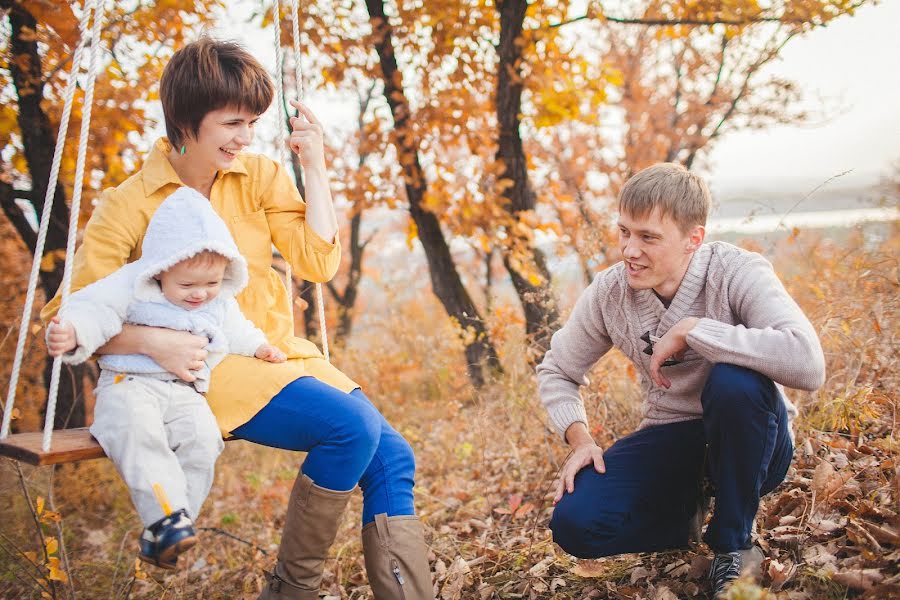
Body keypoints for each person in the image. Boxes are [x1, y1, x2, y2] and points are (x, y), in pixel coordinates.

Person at [41, 37, 433, 599]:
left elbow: (317, 261)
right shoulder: (130, 203)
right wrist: (152, 342)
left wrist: (315, 168)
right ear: (186, 120)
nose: (246, 137)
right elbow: (66, 314)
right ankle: (290, 592)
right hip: (200, 370)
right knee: (352, 428)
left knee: (392, 455)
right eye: (232, 123)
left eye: (252, 122)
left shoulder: (259, 176)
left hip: (271, 352)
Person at [537, 163, 825, 597]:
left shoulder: (736, 271)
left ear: (694, 239)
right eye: (624, 232)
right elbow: (557, 369)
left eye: (648, 237)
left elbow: (808, 363)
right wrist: (580, 439)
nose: (629, 250)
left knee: (733, 381)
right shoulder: (611, 293)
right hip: (672, 434)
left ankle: (733, 544)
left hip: (753, 438)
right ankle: (683, 516)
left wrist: (696, 330)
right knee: (575, 524)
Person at [47, 188, 286, 569]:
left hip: (183, 391)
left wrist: (258, 346)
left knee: (203, 441)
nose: (200, 295)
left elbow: (236, 327)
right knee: (139, 434)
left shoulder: (217, 297)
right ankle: (165, 521)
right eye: (187, 286)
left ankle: (172, 530)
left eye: (210, 284)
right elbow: (95, 308)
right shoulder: (132, 283)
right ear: (160, 269)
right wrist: (74, 329)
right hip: (129, 385)